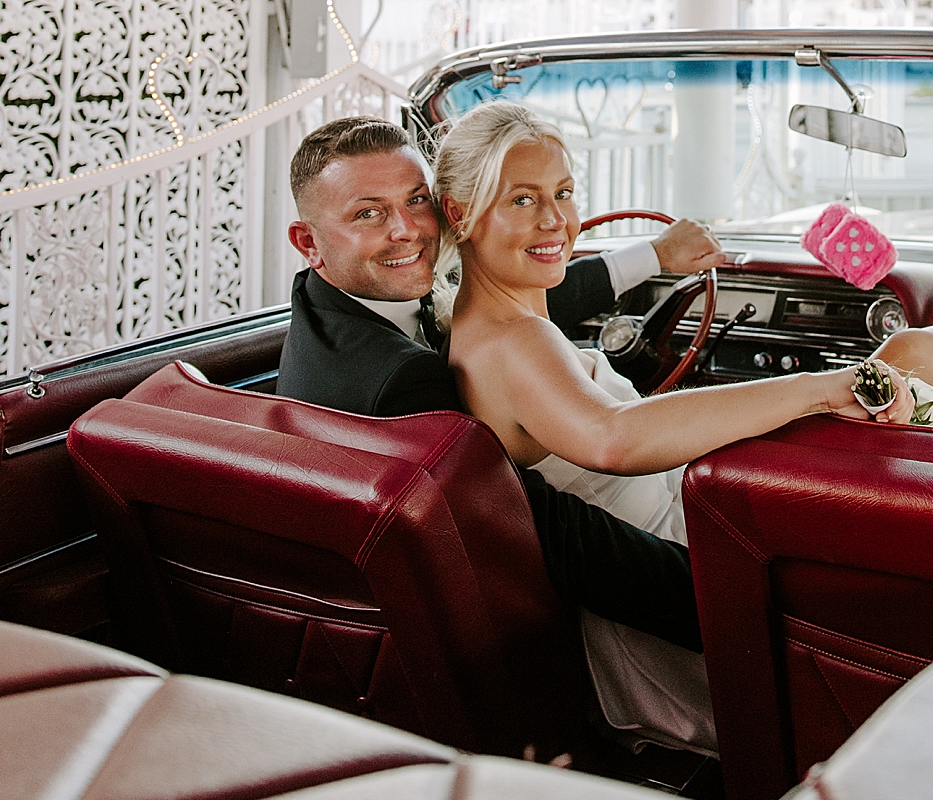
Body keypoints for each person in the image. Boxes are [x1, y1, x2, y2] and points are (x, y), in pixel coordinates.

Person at [435, 100, 933, 751]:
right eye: (522, 199)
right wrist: (815, 388)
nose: (556, 221)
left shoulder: (489, 316)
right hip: (693, 557)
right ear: (461, 214)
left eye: (564, 192)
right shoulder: (511, 341)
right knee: (910, 371)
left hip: (699, 518)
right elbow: (614, 437)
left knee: (928, 389)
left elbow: (577, 302)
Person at [278, 114, 725, 653]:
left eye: (416, 200)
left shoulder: (350, 297)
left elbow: (513, 295)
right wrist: (725, 608)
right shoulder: (398, 382)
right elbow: (548, 527)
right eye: (368, 213)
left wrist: (653, 256)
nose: (408, 230)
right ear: (309, 241)